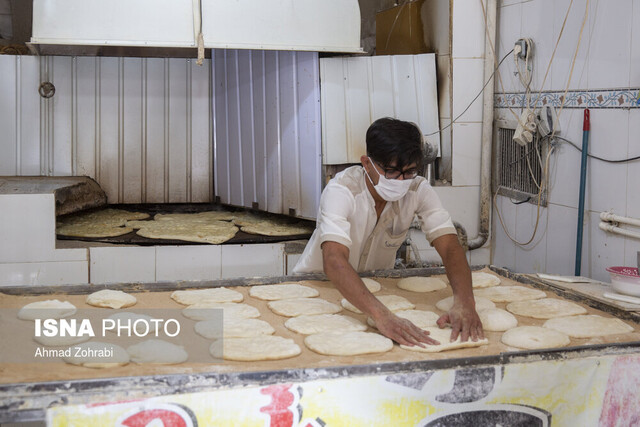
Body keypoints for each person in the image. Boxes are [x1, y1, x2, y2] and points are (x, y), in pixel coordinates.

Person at [293, 117, 483, 347]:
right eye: (392, 171)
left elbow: (450, 246)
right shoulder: (342, 191)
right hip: (317, 289)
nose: (401, 180)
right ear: (367, 163)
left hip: (374, 293)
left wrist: (465, 302)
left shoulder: (417, 189)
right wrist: (381, 316)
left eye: (410, 171)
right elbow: (334, 260)